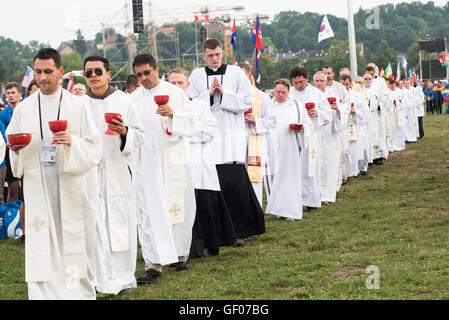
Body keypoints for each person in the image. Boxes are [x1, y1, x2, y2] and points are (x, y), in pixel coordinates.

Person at [6, 48, 102, 299]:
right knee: (42, 245)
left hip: (71, 184)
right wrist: (15, 150)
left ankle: (77, 294)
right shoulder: (24, 108)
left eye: (48, 71)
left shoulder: (77, 106)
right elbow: (12, 146)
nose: (42, 77)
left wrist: (72, 142)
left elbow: (94, 147)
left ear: (60, 71)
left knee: (73, 243)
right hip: (39, 187)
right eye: (38, 71)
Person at [187, 38, 265, 246]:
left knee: (234, 183)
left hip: (230, 134)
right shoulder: (196, 75)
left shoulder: (236, 73)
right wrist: (209, 94)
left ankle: (239, 230)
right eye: (210, 55)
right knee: (211, 185)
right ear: (203, 55)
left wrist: (225, 94)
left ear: (223, 54)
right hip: (207, 138)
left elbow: (248, 100)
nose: (214, 59)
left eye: (218, 54)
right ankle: (216, 232)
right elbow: (190, 103)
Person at [130, 53, 197, 284]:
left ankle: (181, 255)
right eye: (139, 74)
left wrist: (173, 115)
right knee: (148, 212)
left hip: (173, 159)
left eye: (147, 72)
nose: (143, 78)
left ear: (157, 69)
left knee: (178, 206)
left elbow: (192, 124)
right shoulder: (133, 99)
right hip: (146, 162)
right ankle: (153, 263)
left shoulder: (175, 93)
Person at [81, 56, 145, 295]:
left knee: (120, 225)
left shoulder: (124, 101)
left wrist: (125, 131)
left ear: (108, 74)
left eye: (98, 71)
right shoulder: (79, 104)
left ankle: (123, 278)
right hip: (90, 173)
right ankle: (98, 279)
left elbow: (140, 135)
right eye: (88, 73)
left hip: (117, 172)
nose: (93, 76)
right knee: (95, 228)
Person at [167, 67, 236, 258]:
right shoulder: (164, 110)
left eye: (180, 82)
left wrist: (184, 132)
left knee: (205, 207)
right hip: (176, 165)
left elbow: (209, 131)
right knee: (180, 209)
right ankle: (187, 248)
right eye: (172, 83)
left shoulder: (199, 106)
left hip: (199, 163)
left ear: (187, 85)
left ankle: (211, 244)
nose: (177, 86)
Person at [265, 79, 312, 221]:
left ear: (288, 91)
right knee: (274, 177)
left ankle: (290, 210)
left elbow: (307, 123)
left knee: (290, 178)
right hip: (271, 147)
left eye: (283, 92)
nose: (280, 95)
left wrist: (302, 128)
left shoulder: (296, 106)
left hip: (290, 147)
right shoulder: (267, 105)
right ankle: (278, 208)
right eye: (277, 92)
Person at [289, 66, 331, 212]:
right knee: (294, 168)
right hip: (293, 135)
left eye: (301, 82)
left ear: (306, 79)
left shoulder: (316, 93)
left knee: (310, 168)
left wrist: (316, 112)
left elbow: (327, 114)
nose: (298, 86)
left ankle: (311, 201)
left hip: (311, 134)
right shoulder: (290, 93)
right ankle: (294, 199)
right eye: (295, 83)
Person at [237, 62, 276, 206]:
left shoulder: (261, 97)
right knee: (237, 179)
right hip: (234, 143)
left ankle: (255, 212)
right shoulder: (229, 96)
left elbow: (272, 122)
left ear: (249, 75)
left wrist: (256, 121)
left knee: (253, 179)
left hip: (254, 143)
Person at [315, 71, 346, 203]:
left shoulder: (332, 96)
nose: (319, 83)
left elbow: (342, 114)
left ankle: (327, 194)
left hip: (330, 136)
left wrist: (337, 110)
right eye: (317, 81)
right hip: (315, 136)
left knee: (330, 163)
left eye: (322, 81)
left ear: (326, 82)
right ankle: (315, 194)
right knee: (315, 164)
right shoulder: (311, 95)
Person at [340, 74, 370, 180]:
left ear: (351, 84)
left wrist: (355, 111)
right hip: (341, 128)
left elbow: (366, 112)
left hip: (353, 126)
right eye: (342, 85)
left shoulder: (357, 96)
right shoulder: (337, 96)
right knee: (342, 151)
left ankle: (353, 172)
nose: (344, 87)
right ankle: (343, 174)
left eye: (347, 85)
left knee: (353, 150)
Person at [1, 82, 22, 206]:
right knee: (13, 189)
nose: (11, 95)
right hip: (10, 153)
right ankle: (10, 218)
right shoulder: (2, 115)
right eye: (8, 93)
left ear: (20, 94)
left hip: (27, 151)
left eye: (13, 92)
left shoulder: (26, 109)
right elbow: (5, 137)